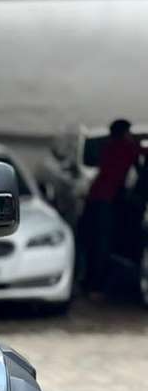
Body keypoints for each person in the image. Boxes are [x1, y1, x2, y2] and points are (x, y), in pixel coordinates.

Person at [83, 119, 144, 292]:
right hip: (106, 200)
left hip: (95, 198)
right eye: (128, 132)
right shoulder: (125, 147)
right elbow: (142, 155)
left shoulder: (109, 146)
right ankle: (96, 286)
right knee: (102, 243)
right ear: (124, 133)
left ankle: (88, 281)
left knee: (93, 241)